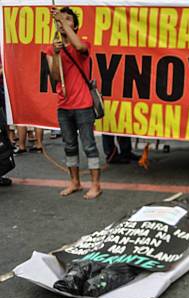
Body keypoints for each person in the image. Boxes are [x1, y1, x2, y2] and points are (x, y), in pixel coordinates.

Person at [46, 6, 102, 199]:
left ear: (75, 26)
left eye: (69, 19)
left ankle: (95, 185)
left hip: (83, 104)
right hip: (64, 106)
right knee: (69, 146)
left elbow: (79, 48)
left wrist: (62, 20)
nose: (64, 22)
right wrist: (54, 54)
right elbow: (54, 77)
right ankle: (75, 182)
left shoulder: (83, 43)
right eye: (62, 19)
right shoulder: (52, 48)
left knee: (89, 146)